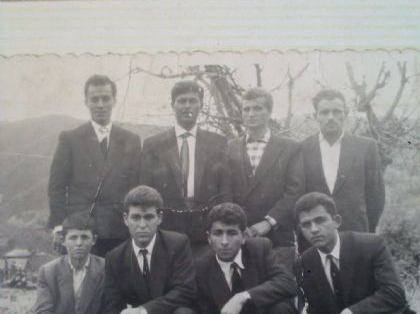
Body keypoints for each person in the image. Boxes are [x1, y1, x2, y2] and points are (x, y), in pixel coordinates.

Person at [95, 185, 201, 314]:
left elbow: (186, 290)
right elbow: (110, 310)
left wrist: (143, 311)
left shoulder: (178, 243)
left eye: (148, 217)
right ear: (125, 219)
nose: (142, 225)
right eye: (135, 217)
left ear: (159, 218)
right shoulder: (115, 257)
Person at [47, 74, 141, 257]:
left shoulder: (131, 140)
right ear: (86, 102)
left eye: (105, 98)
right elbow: (56, 187)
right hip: (80, 231)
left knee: (117, 275)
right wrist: (58, 225)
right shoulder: (70, 139)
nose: (100, 104)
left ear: (114, 101)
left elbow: (136, 187)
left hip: (119, 231)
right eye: (94, 99)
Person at [140, 80, 231, 257]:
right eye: (182, 101)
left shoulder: (218, 142)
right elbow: (146, 190)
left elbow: (225, 189)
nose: (187, 106)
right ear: (172, 105)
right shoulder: (153, 144)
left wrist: (221, 225)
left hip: (206, 228)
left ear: (201, 105)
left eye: (192, 101)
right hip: (166, 227)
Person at [227, 88, 304, 268]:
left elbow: (295, 191)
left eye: (257, 108)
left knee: (279, 284)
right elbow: (225, 189)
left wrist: (269, 223)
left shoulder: (290, 148)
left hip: (278, 237)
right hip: (240, 236)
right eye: (246, 109)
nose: (251, 114)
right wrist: (235, 225)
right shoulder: (230, 147)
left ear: (269, 112)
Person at [299, 89, 385, 246]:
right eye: (324, 112)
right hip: (315, 237)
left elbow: (376, 195)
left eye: (336, 111)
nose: (331, 117)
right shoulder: (302, 149)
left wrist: (367, 230)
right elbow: (298, 195)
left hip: (356, 233)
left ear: (345, 113)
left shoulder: (366, 146)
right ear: (315, 115)